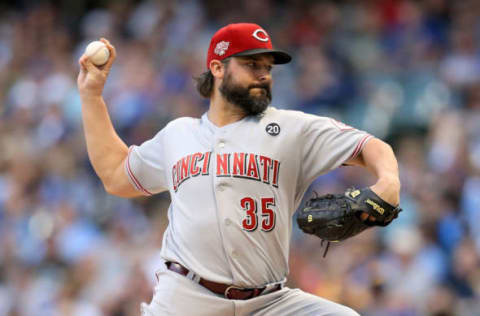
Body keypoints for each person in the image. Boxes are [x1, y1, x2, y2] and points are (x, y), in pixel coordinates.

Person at [77, 23, 400, 316]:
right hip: (188, 299)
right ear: (217, 68)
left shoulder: (290, 128)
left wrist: (388, 183)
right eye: (251, 65)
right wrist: (91, 95)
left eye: (267, 67)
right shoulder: (179, 134)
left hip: (269, 302)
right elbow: (116, 174)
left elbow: (371, 147)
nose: (263, 74)